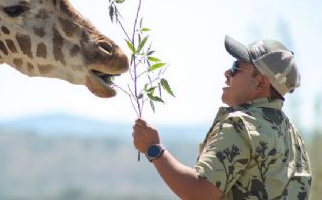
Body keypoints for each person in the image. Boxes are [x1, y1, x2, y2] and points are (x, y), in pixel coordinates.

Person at [132, 35, 312, 200]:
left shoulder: (240, 125)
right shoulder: (294, 138)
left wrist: (153, 149)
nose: (227, 73)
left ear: (260, 82)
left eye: (236, 67)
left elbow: (200, 193)